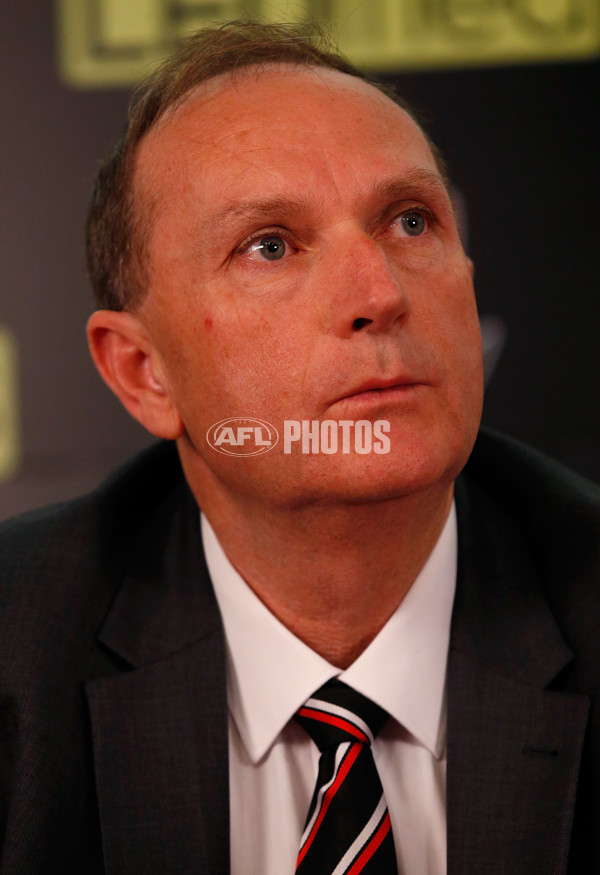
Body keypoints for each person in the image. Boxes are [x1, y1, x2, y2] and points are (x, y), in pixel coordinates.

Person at [0, 19, 599, 875]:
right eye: (270, 245)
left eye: (410, 221)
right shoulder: (19, 650)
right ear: (143, 373)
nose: (380, 293)